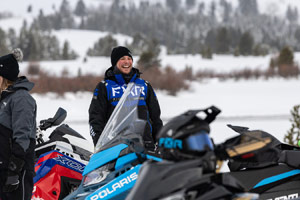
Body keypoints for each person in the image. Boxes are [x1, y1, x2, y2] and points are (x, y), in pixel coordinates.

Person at [89, 46, 163, 150]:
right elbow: (95, 119)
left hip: (146, 146)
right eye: (122, 59)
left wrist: (161, 142)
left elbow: (156, 118)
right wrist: (99, 145)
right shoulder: (104, 87)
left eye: (129, 59)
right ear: (115, 62)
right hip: (115, 148)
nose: (126, 62)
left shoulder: (144, 85)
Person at [0, 49, 37, 200]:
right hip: (3, 168)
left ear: (5, 77)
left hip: (17, 171)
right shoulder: (4, 99)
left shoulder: (21, 99)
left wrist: (14, 172)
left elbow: (22, 136)